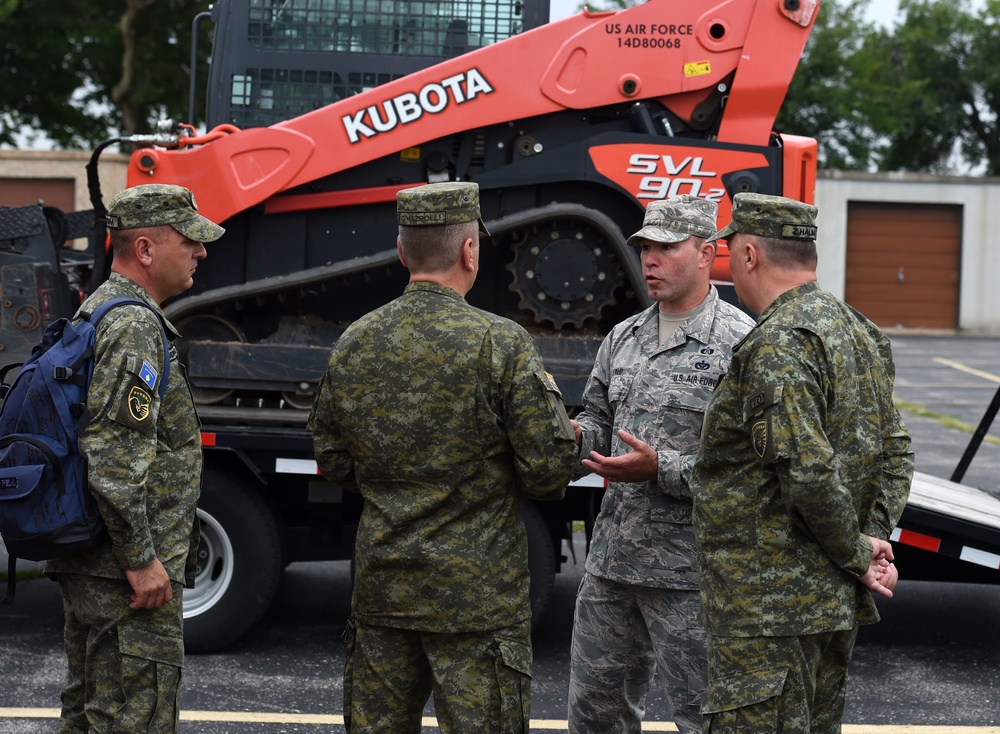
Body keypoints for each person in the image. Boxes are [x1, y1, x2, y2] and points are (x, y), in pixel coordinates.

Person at [307, 181, 578, 733]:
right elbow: (548, 472)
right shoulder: (498, 343)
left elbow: (333, 461)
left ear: (403, 251)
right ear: (469, 250)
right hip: (476, 602)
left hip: (384, 589)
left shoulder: (356, 340)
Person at [691, 192, 914, 733]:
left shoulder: (778, 344)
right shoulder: (859, 331)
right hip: (827, 603)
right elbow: (896, 448)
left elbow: (807, 470)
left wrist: (859, 552)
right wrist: (871, 534)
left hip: (769, 609)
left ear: (748, 256)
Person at [567, 195, 755, 734]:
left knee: (706, 719)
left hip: (693, 575)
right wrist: (573, 438)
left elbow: (750, 472)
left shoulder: (741, 344)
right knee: (595, 716)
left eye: (666, 248)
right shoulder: (624, 336)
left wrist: (661, 469)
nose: (650, 259)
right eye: (645, 247)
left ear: (707, 253)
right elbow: (599, 417)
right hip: (611, 567)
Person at [45, 184, 223, 733]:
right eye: (189, 239)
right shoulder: (134, 324)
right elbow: (115, 452)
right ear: (145, 249)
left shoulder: (100, 309)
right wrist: (142, 560)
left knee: (90, 713)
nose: (201, 251)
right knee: (132, 718)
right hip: (124, 580)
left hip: (97, 566)